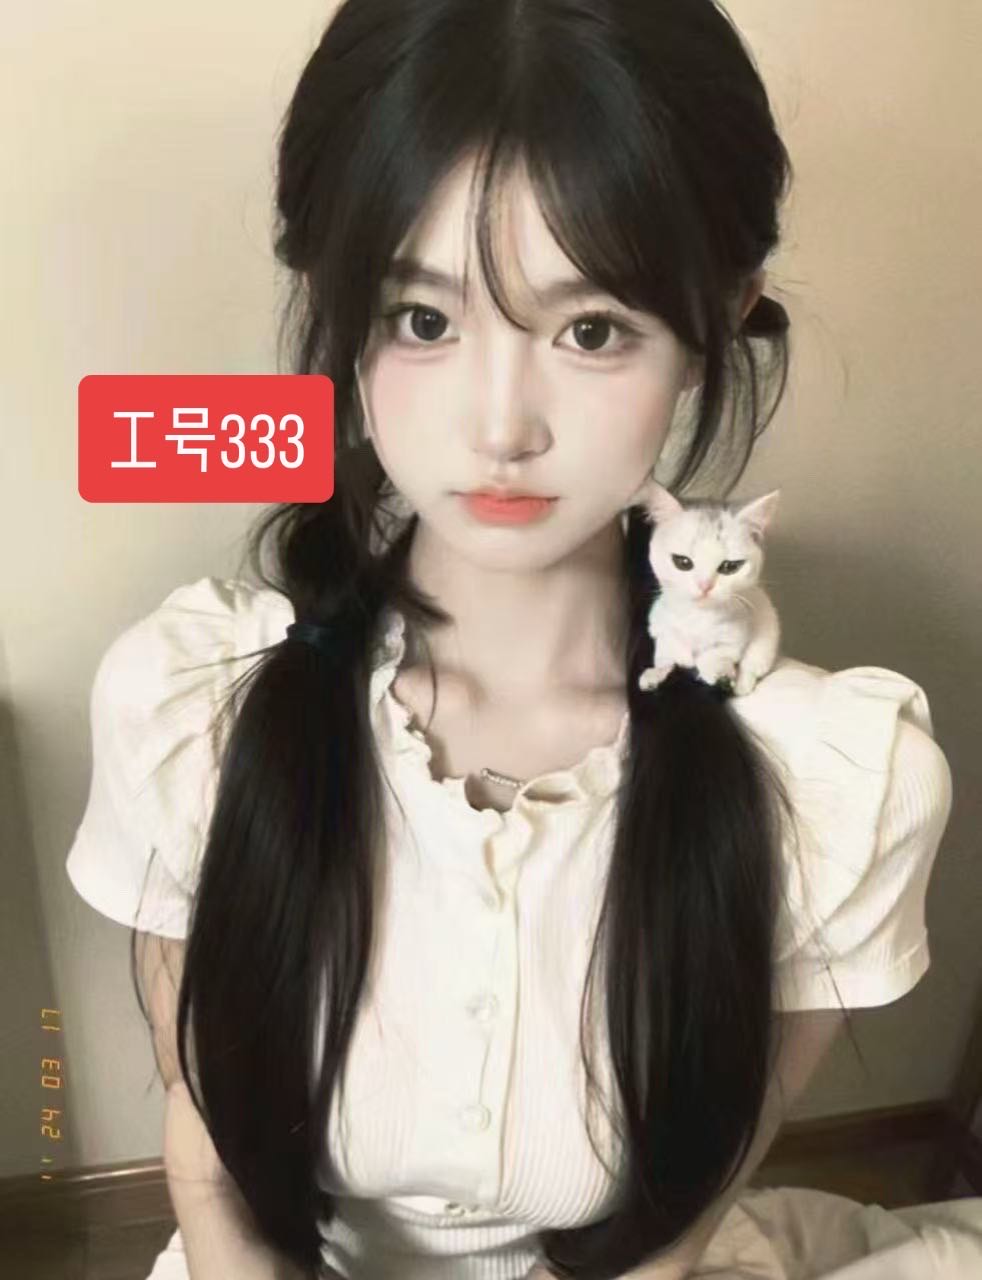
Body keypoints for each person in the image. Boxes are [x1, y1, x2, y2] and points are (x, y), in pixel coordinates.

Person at [65, 1, 970, 1277]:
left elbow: (678, 1215)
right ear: (339, 311)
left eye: (590, 329)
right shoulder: (191, 710)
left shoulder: (838, 783)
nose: (500, 426)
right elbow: (212, 1165)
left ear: (714, 324)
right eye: (423, 320)